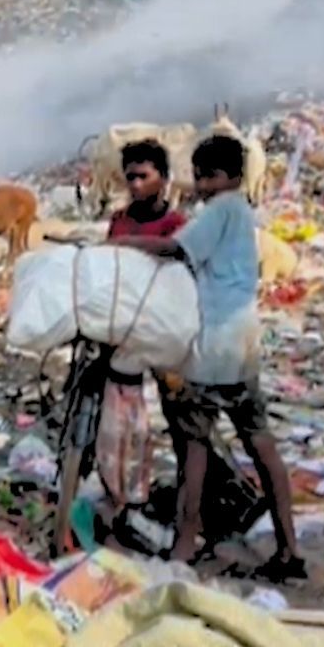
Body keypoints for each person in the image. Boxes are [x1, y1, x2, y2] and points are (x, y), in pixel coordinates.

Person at [109, 134, 304, 580]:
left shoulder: (220, 211)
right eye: (198, 175)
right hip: (244, 342)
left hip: (212, 344)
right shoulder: (243, 213)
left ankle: (184, 545)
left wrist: (124, 246)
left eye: (209, 176)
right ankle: (289, 547)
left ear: (232, 176)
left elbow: (175, 248)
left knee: (192, 446)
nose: (201, 184)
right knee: (260, 441)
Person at [95, 140, 187, 525]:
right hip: (122, 329)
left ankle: (186, 496)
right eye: (130, 177)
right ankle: (121, 490)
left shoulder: (175, 224)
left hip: (162, 331)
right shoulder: (119, 220)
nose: (135, 184)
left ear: (163, 179)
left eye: (143, 176)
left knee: (176, 416)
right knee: (116, 417)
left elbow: (180, 256)